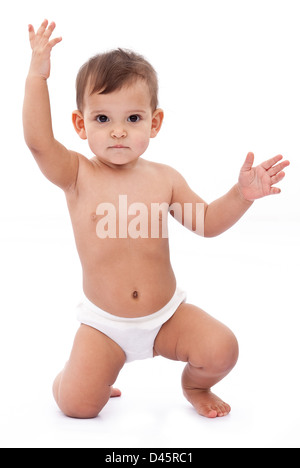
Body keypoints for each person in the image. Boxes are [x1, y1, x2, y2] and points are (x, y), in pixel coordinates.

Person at [23, 20, 289, 419]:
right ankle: (75, 376)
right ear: (80, 124)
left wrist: (241, 195)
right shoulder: (78, 174)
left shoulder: (164, 179)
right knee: (78, 406)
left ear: (154, 122)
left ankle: (196, 385)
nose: (117, 132)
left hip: (167, 318)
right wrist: (36, 76)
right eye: (102, 119)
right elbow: (39, 143)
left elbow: (208, 223)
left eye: (132, 119)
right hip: (105, 327)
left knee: (223, 348)